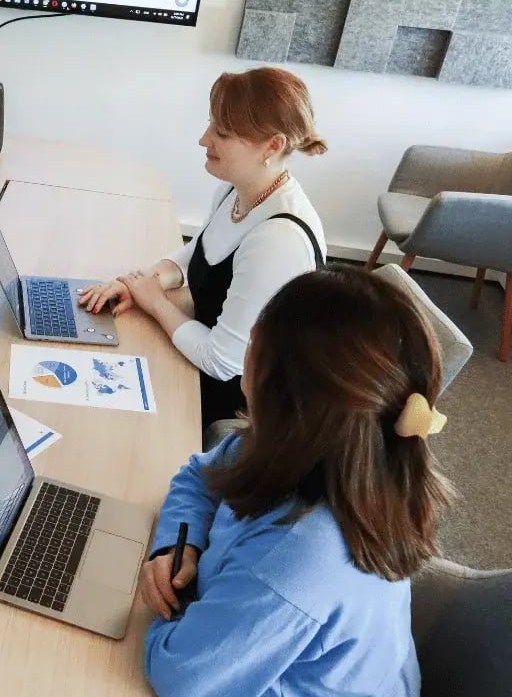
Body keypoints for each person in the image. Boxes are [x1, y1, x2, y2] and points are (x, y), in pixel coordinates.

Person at [139, 266, 453, 696]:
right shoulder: (322, 452)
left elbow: (179, 677)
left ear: (283, 397)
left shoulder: (298, 559)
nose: (247, 347)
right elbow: (201, 474)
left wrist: (179, 607)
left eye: (256, 343)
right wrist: (179, 543)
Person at [79, 67, 327, 426]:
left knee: (106, 415)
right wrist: (139, 281)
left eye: (221, 133)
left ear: (273, 146)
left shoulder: (277, 240)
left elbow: (221, 361)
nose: (203, 139)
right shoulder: (239, 190)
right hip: (204, 358)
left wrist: (154, 302)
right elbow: (202, 250)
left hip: (242, 404)